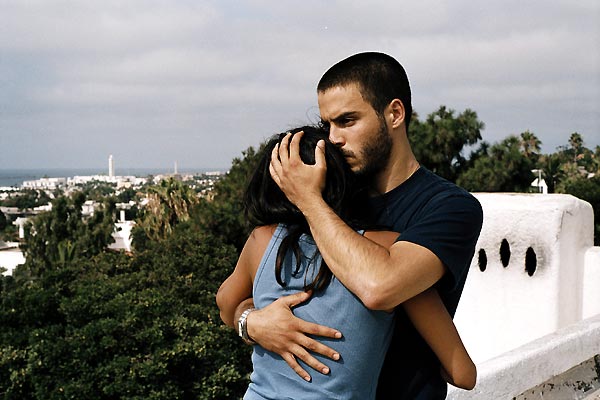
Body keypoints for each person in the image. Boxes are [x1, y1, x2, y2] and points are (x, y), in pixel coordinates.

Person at [232, 52, 484, 399]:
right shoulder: (333, 195)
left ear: (394, 114)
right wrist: (253, 323)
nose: (333, 138)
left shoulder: (449, 207)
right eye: (327, 125)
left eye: (347, 121)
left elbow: (380, 287)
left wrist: (309, 201)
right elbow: (238, 297)